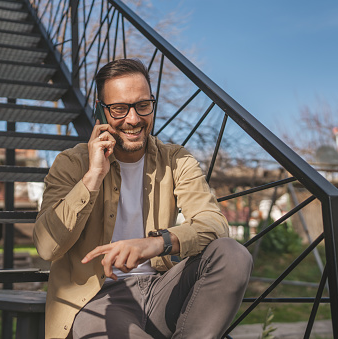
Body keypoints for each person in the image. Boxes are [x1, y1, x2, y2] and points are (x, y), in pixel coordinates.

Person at [33, 59, 253, 339]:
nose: (134, 119)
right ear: (101, 110)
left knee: (232, 254)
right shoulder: (71, 163)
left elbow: (214, 224)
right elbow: (46, 246)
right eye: (119, 108)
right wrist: (92, 177)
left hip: (164, 290)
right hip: (99, 300)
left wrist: (155, 243)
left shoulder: (176, 160)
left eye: (142, 105)